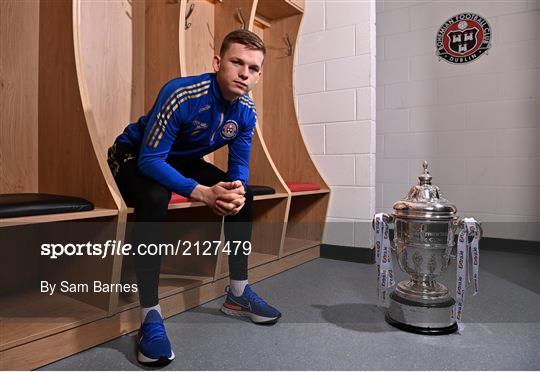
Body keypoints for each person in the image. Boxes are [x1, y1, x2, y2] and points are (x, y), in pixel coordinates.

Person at [107, 29, 281, 367]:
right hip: (133, 155)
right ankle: (150, 316)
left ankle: (239, 293)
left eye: (254, 68)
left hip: (178, 159)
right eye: (237, 62)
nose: (245, 73)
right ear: (218, 62)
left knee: (243, 196)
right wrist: (202, 193)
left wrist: (234, 190)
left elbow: (240, 165)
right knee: (155, 196)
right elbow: (150, 161)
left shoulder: (245, 109)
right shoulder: (183, 93)